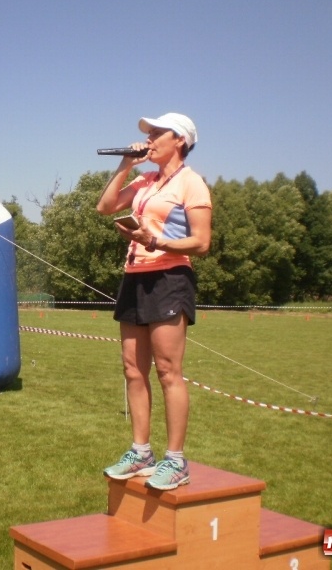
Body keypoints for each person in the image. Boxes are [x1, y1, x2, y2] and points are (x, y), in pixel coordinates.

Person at [95, 112, 212, 490]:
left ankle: (175, 460)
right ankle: (141, 452)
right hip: (135, 277)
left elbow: (201, 242)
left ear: (179, 140)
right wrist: (126, 164)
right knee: (132, 368)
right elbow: (106, 207)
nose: (150, 139)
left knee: (167, 370)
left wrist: (156, 241)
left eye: (158, 133)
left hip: (170, 277)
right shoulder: (145, 179)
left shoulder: (192, 184)